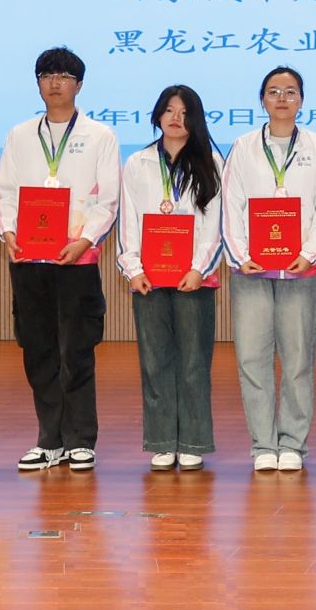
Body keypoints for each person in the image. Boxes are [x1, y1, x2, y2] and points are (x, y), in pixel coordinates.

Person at [0, 47, 121, 472]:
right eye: (47, 75)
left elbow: (108, 199)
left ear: (78, 85)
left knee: (77, 349)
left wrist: (84, 241)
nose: (55, 82)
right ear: (38, 83)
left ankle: (81, 439)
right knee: (38, 349)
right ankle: (49, 439)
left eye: (64, 76)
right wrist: (9, 232)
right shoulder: (20, 135)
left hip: (75, 261)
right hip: (29, 260)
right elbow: (5, 192)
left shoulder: (100, 136)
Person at [221, 66, 316, 473]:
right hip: (251, 271)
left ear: (302, 100)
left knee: (298, 359)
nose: (282, 98)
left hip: (301, 271)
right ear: (262, 100)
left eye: (290, 91)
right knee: (252, 358)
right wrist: (240, 255)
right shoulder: (243, 147)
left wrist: (310, 252)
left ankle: (292, 443)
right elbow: (231, 205)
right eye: (274, 91)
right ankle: (262, 444)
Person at [116, 85, 225, 471]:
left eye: (184, 112)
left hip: (195, 278)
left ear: (195, 118)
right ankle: (163, 440)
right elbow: (128, 220)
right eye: (168, 110)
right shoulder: (138, 163)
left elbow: (216, 223)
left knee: (194, 362)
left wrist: (198, 268)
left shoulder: (211, 162)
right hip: (149, 279)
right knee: (154, 360)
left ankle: (193, 440)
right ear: (157, 115)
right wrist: (133, 269)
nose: (176, 118)